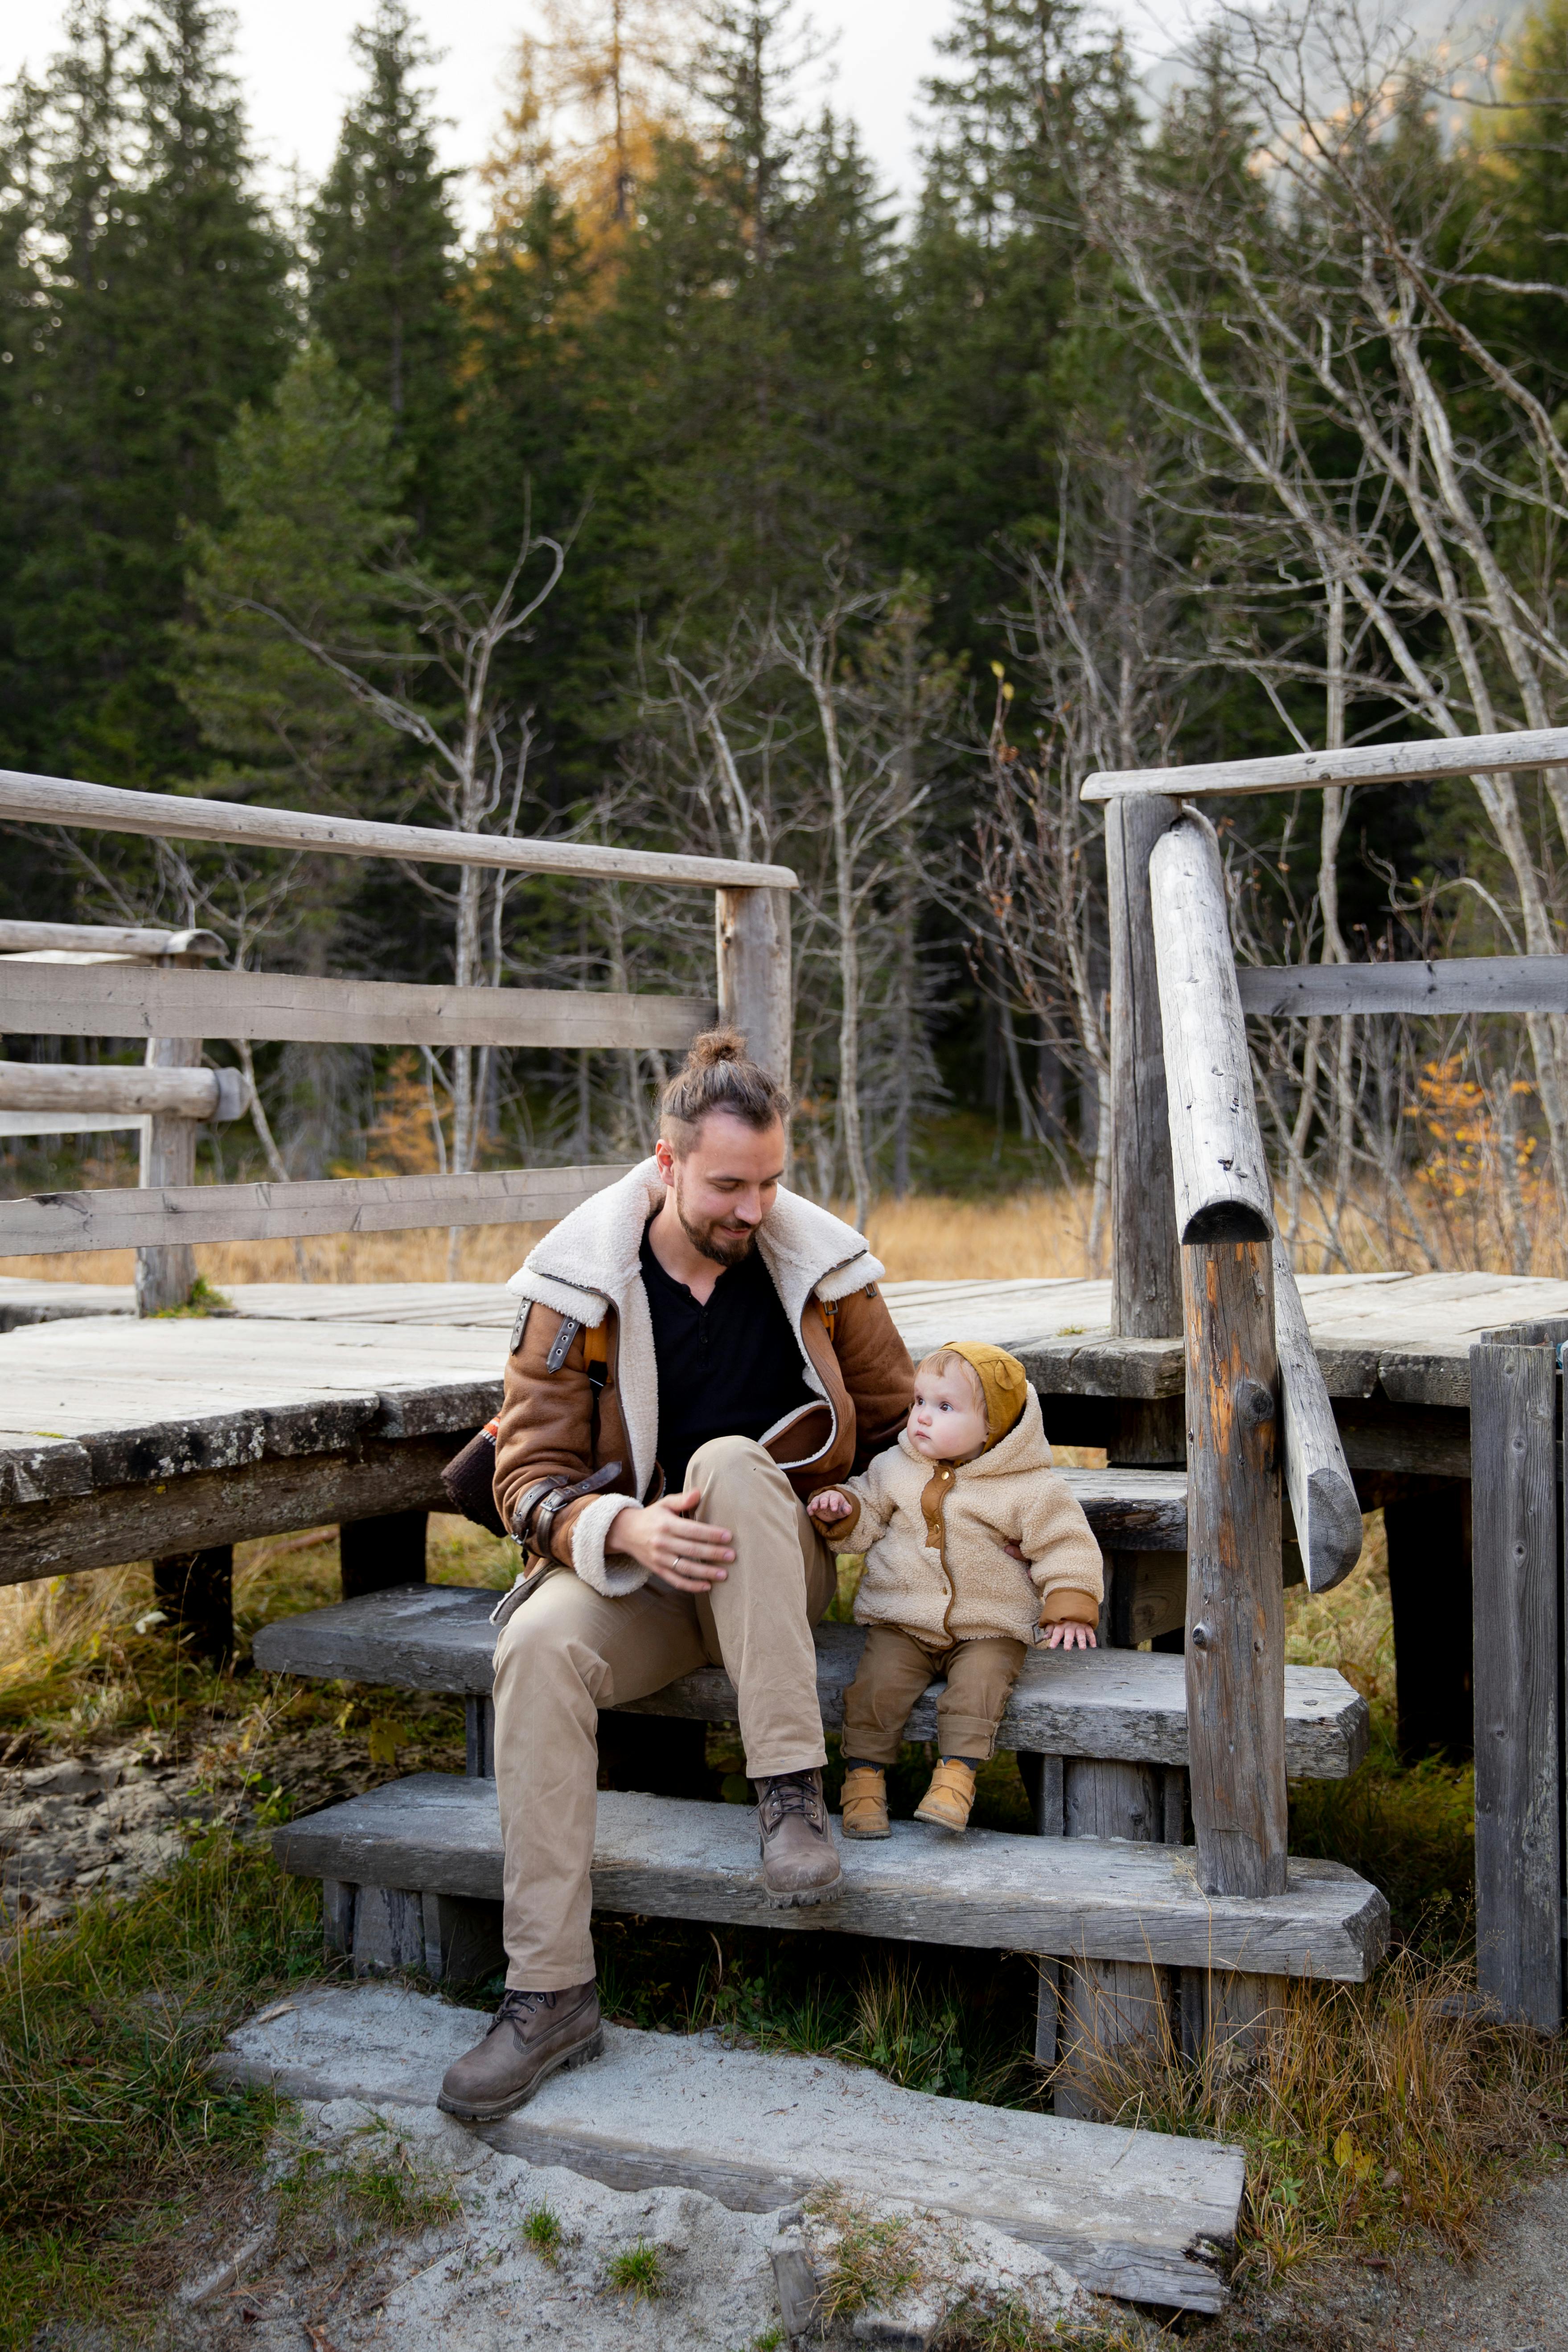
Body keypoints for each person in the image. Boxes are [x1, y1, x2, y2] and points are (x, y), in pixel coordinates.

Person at [437, 1029, 915, 2123]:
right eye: (727, 1185)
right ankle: (548, 1989)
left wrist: (855, 1505)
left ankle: (789, 1794)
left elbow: (898, 1430)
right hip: (647, 1581)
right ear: (665, 1162)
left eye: (771, 1182)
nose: (753, 1210)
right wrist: (624, 1530)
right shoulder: (577, 1288)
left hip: (773, 1573)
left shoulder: (823, 1273)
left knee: (731, 1461)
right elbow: (527, 1478)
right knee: (536, 1641)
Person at [806, 1342, 1103, 1839]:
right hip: (904, 1621)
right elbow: (866, 1517)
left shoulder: (1030, 1489)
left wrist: (1069, 1604)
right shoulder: (894, 1468)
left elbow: (1065, 1545)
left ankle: (955, 1779)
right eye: (918, 1402)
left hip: (989, 1628)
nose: (921, 1417)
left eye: (943, 1407)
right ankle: (863, 1782)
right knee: (874, 1690)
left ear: (993, 1427)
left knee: (978, 1691)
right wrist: (843, 1509)